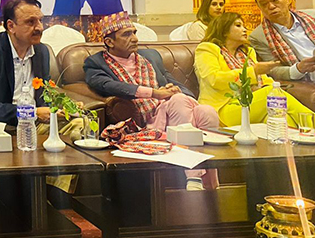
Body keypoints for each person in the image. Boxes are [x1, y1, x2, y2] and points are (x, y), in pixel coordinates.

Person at [84, 11, 219, 190]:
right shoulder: (95, 63)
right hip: (147, 121)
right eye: (126, 34)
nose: (134, 38)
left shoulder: (151, 56)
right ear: (109, 42)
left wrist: (177, 91)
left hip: (173, 112)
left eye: (134, 33)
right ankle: (195, 177)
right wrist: (155, 93)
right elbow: (107, 85)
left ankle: (209, 185)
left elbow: (175, 83)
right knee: (179, 101)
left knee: (206, 111)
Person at [0, 0, 83, 139]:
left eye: (40, 20)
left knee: (79, 124)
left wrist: (65, 106)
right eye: (30, 22)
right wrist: (31, 112)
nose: (40, 28)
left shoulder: (42, 51)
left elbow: (45, 95)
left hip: (35, 124)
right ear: (11, 26)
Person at [196, 12, 315, 134]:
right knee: (272, 96)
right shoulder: (207, 49)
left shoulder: (247, 52)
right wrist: (253, 72)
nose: (245, 29)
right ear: (224, 30)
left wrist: (271, 85)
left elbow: (264, 79)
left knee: (280, 117)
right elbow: (214, 79)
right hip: (222, 110)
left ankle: (306, 150)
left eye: (244, 25)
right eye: (238, 26)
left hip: (250, 105)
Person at [249, 0, 315, 81]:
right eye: (264, 4)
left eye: (275, 0)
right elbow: (272, 70)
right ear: (259, 7)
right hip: (307, 82)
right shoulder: (258, 36)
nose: (271, 6)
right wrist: (298, 69)